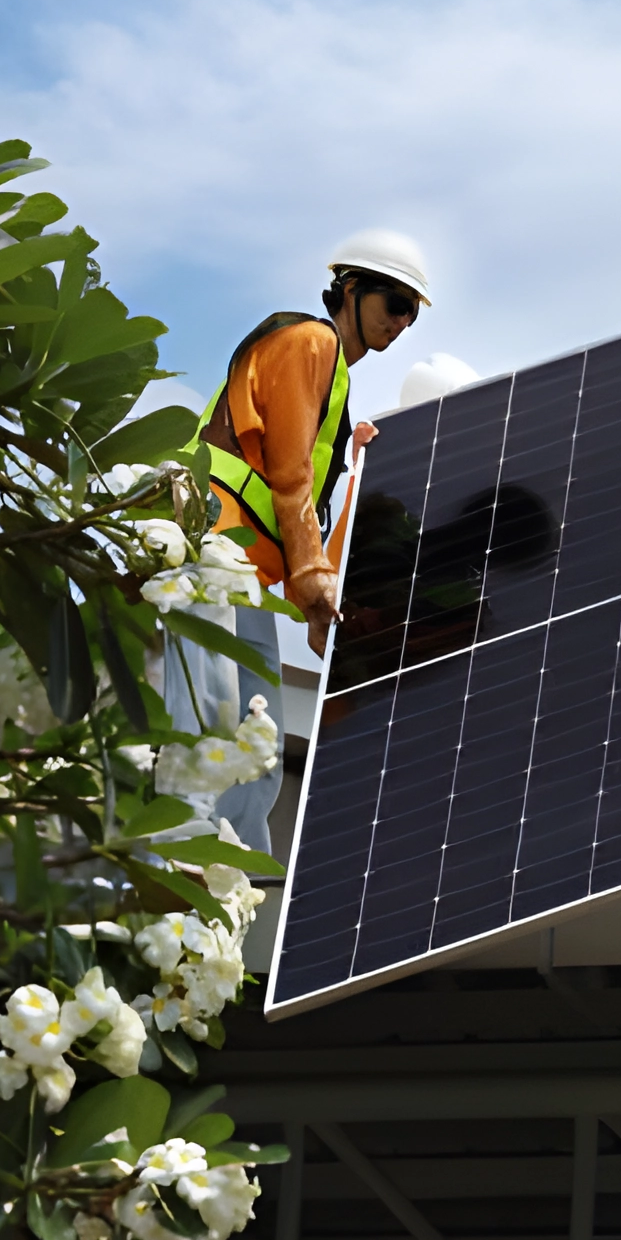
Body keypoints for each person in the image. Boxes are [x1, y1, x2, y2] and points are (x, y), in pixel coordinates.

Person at [169, 228, 429, 852]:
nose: (401, 322)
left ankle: (230, 865)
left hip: (245, 572)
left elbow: (305, 497)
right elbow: (289, 473)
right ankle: (180, 847)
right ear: (351, 289)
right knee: (208, 709)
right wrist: (312, 581)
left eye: (412, 314)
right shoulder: (309, 341)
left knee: (255, 731)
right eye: (394, 303)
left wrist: (318, 595)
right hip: (207, 542)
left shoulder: (334, 382)